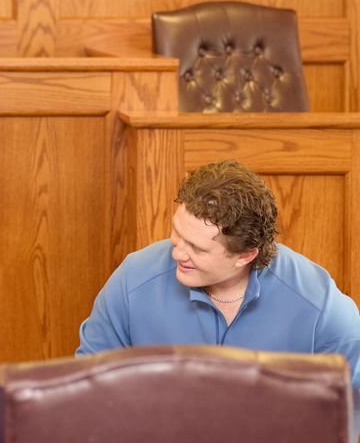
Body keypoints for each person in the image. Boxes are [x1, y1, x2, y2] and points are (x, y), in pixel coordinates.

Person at [78, 160, 360, 384]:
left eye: (197, 248)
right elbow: (88, 384)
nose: (177, 253)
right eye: (177, 233)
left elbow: (349, 395)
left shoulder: (318, 302)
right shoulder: (132, 278)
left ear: (245, 255)